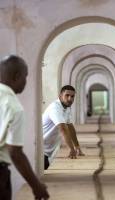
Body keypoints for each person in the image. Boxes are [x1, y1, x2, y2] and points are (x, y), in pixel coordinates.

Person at [0, 55, 49, 200]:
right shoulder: (13, 106)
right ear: (16, 77)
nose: (25, 81)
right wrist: (36, 185)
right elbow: (15, 152)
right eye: (25, 77)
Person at [43, 85, 85, 170]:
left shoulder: (66, 107)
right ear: (60, 96)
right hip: (39, 150)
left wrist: (77, 147)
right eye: (67, 95)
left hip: (46, 151)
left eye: (72, 96)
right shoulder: (55, 108)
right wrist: (71, 149)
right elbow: (63, 129)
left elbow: (70, 127)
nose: (70, 99)